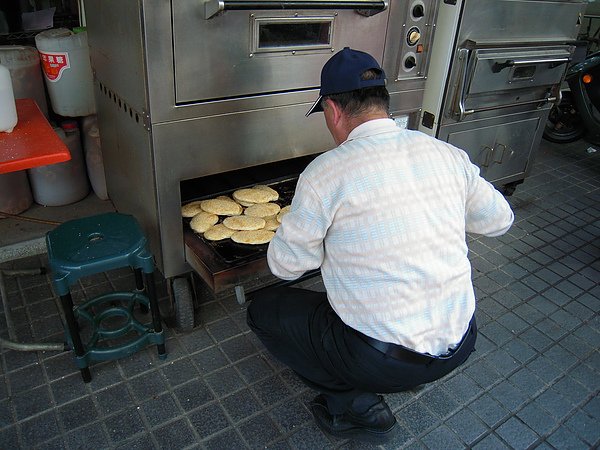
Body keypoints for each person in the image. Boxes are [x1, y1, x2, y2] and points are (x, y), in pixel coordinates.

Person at [246, 47, 514, 444]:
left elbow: (285, 266)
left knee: (265, 310)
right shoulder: (444, 153)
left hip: (382, 361)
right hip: (462, 341)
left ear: (333, 110)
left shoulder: (326, 173)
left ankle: (351, 404)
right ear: (383, 103)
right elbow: (499, 220)